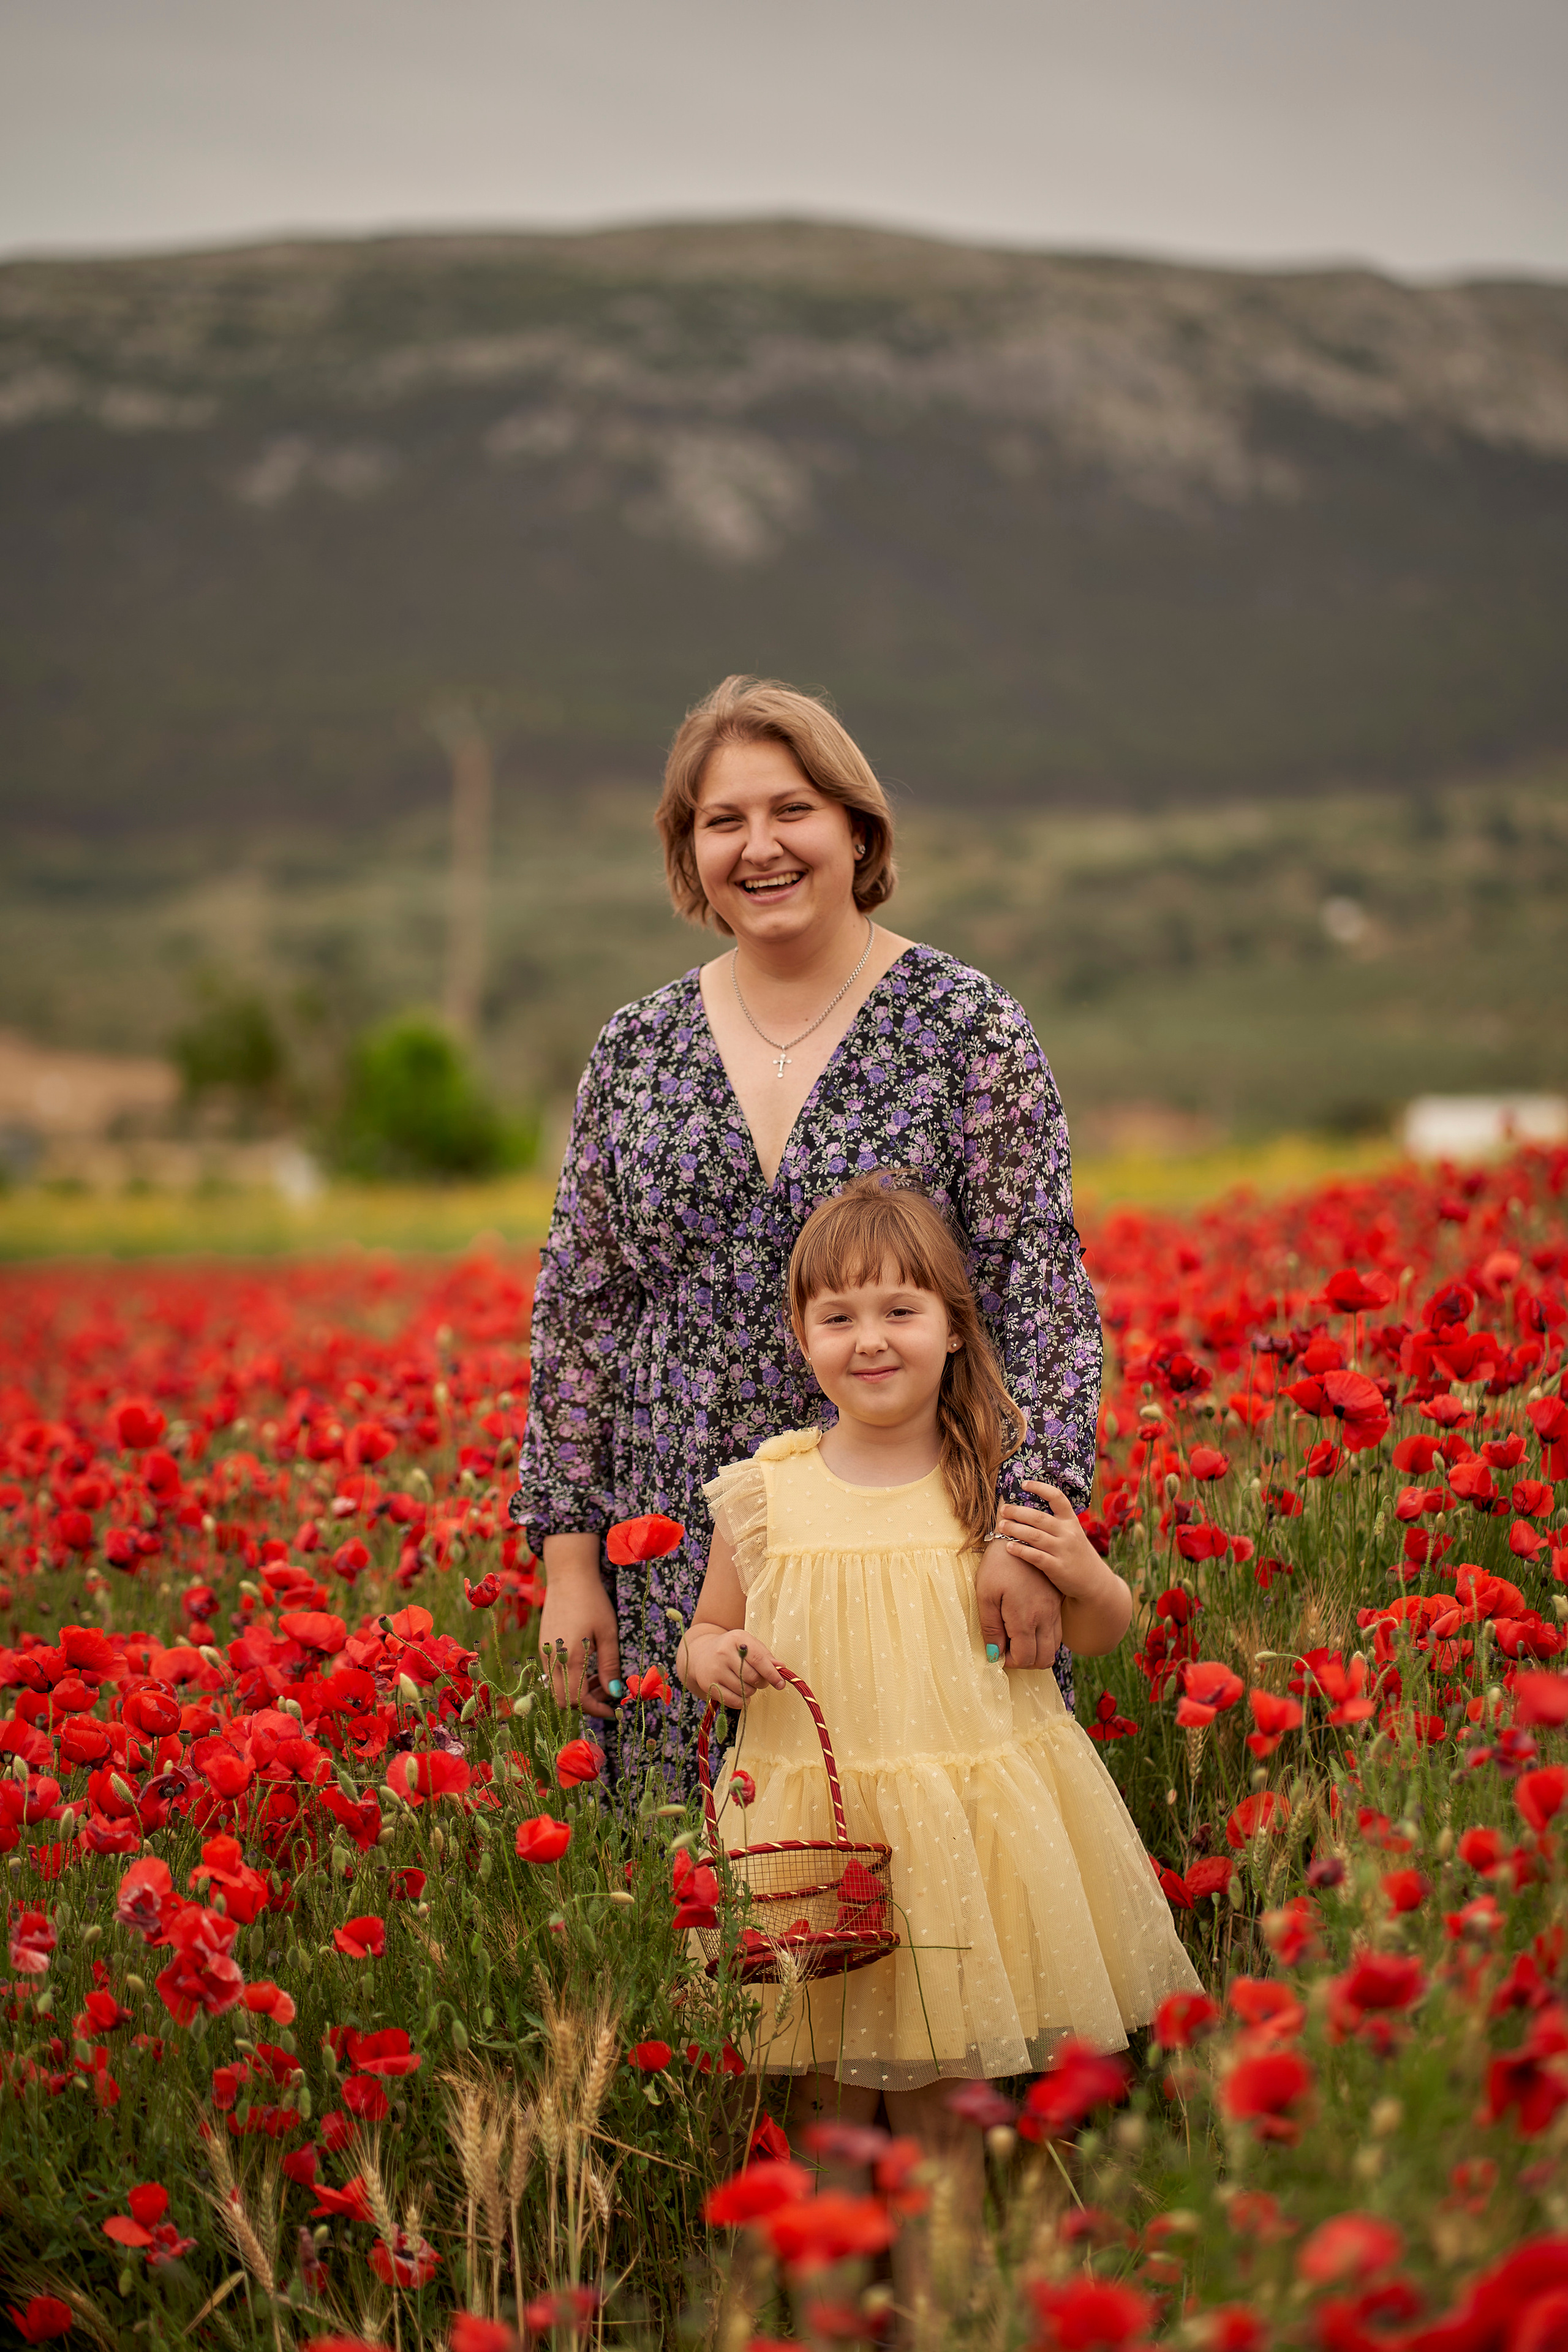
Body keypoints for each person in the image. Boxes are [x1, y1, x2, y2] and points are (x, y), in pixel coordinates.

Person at [511, 676, 1103, 1788]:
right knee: (710, 1906)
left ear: (856, 827)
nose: (760, 847)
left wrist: (1029, 1536)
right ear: (690, 854)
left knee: (920, 1860)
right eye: (723, 820)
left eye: (792, 810)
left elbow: (1042, 1295)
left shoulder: (965, 1025)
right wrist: (570, 1562)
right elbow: (579, 1318)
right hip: (683, 1561)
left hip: (918, 1537)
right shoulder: (635, 1048)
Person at [676, 1174, 1198, 2174]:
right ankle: (835, 2312)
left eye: (900, 1310)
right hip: (822, 1841)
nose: (869, 1339)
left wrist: (1083, 1568)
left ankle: (940, 2308)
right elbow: (706, 1628)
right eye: (839, 1316)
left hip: (962, 1847)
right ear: (803, 1338)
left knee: (939, 2118)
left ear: (955, 1329)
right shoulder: (765, 1492)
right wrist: (715, 1660)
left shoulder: (993, 1482)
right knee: (822, 2107)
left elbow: (1103, 1631)